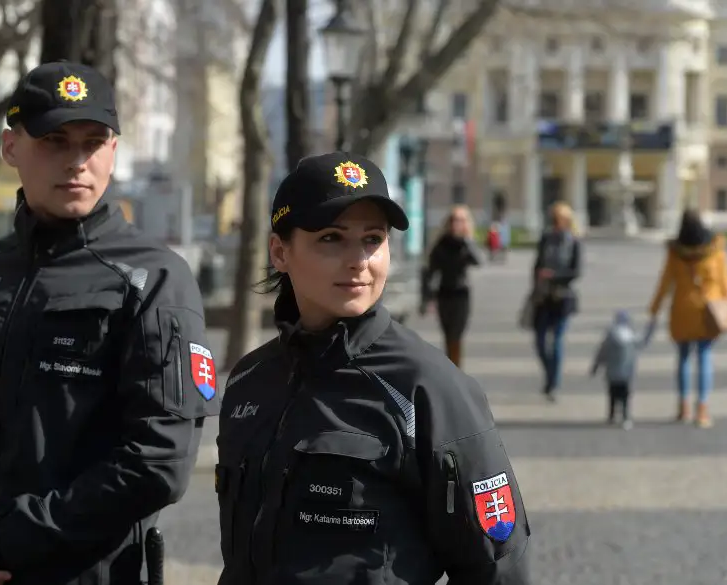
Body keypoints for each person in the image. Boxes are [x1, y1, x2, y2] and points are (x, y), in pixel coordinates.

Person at [0, 61, 220, 585]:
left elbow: (157, 461)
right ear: (11, 149)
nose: (77, 162)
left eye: (93, 143)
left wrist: (3, 541)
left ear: (113, 152)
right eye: (55, 141)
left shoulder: (153, 279)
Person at [215, 153, 531, 585]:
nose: (358, 260)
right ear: (280, 252)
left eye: (372, 239)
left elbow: (498, 568)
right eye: (331, 238)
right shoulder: (249, 381)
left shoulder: (429, 387)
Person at [647, 209, 727, 428]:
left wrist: (654, 309)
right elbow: (725, 283)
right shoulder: (715, 250)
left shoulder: (676, 251)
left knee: (683, 358)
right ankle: (702, 409)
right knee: (704, 357)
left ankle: (683, 406)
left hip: (682, 310)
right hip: (708, 311)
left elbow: (665, 283)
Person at [530, 201, 582, 401]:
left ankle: (554, 383)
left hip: (563, 298)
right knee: (540, 341)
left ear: (567, 221)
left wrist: (553, 275)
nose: (555, 223)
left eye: (558, 219)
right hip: (543, 297)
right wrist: (535, 285)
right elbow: (537, 264)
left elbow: (576, 272)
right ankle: (549, 374)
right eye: (553, 219)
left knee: (557, 341)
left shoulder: (574, 242)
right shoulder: (546, 239)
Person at [420, 205, 483, 367]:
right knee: (448, 335)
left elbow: (478, 261)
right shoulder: (442, 243)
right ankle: (452, 369)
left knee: (456, 335)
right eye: (454, 220)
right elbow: (429, 270)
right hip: (444, 293)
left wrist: (467, 240)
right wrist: (426, 298)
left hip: (462, 294)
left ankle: (455, 370)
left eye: (461, 220)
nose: (457, 224)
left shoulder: (466, 243)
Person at [590, 310, 644, 430]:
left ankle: (611, 415)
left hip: (612, 374)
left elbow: (601, 353)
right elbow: (642, 343)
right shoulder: (631, 337)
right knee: (625, 396)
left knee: (612, 395)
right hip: (626, 374)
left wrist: (595, 367)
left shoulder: (610, 336)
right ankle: (625, 416)